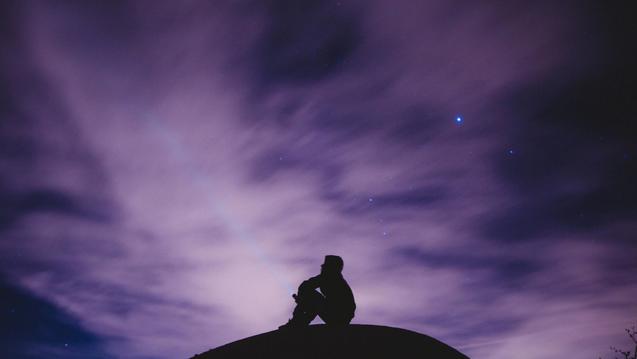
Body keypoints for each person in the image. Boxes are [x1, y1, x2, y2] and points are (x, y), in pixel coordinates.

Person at [279, 255, 356, 329]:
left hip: (339, 316)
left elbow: (306, 286)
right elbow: (306, 286)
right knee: (312, 300)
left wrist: (302, 300)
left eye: (325, 265)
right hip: (338, 315)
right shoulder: (332, 278)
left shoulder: (331, 277)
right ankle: (299, 323)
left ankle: (296, 323)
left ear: (331, 267)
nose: (322, 267)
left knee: (311, 297)